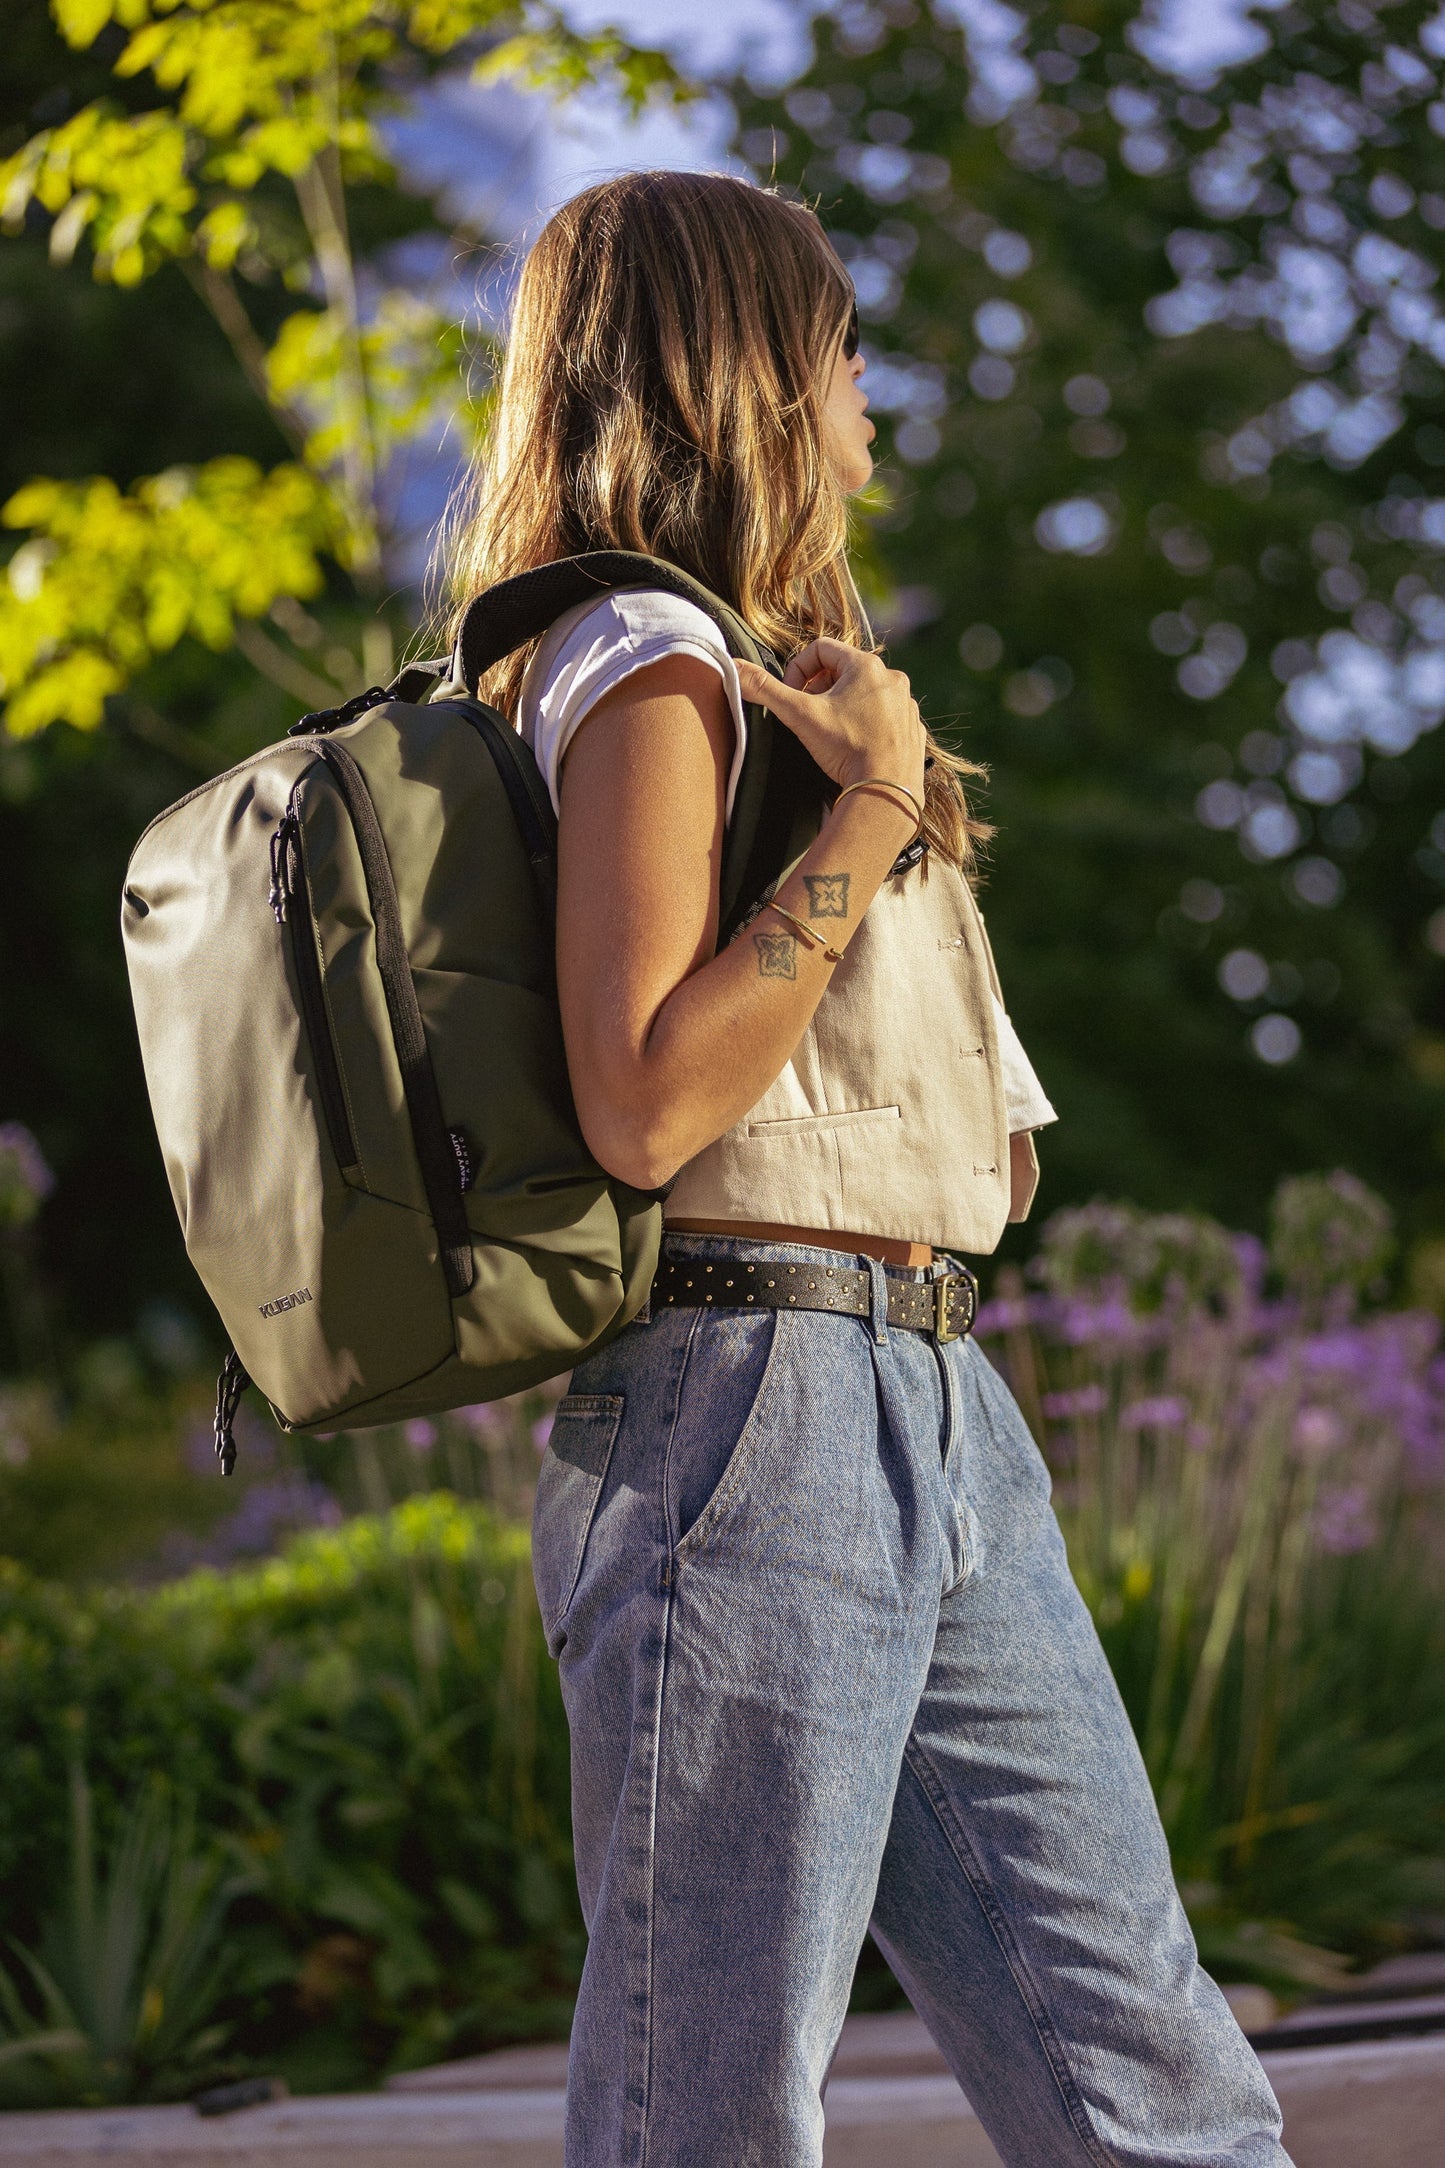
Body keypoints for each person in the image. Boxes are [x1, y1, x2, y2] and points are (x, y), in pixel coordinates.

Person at [442, 171, 1291, 2168]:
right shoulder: (648, 664)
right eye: (837, 350)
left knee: (1154, 2086)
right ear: (741, 371)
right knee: (711, 2121)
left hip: (922, 1399)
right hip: (755, 1406)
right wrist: (883, 803)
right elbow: (648, 1101)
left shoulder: (769, 669)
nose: (866, 400)